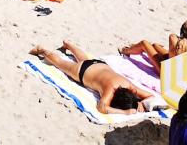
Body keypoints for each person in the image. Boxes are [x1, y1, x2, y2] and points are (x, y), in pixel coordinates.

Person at [28, 41, 157, 115]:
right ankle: (42, 50)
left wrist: (140, 103)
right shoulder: (110, 91)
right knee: (60, 63)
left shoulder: (130, 87)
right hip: (82, 72)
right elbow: (102, 107)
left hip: (98, 64)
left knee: (85, 59)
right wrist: (126, 112)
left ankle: (68, 44)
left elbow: (150, 96)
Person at [120, 20, 187, 75]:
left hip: (165, 73)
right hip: (177, 74)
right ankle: (134, 47)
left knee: (144, 43)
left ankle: (125, 51)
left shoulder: (173, 38)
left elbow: (181, 39)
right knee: (155, 45)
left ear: (181, 31)